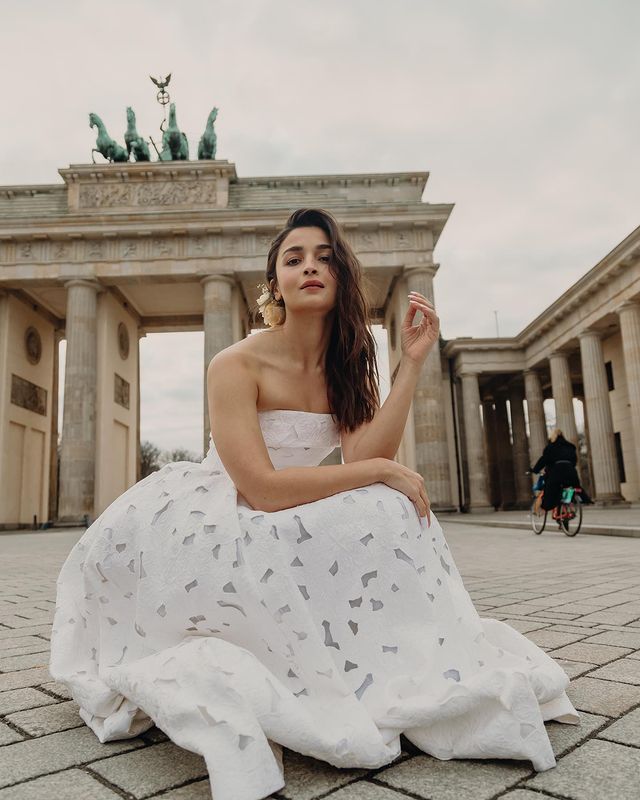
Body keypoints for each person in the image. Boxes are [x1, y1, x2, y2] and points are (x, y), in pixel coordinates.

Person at [50, 208, 579, 800]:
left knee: (389, 503)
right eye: (293, 258)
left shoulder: (348, 368)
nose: (309, 267)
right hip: (218, 510)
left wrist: (411, 361)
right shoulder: (235, 363)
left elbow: (366, 452)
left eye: (325, 257)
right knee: (379, 487)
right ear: (273, 283)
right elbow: (261, 489)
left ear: (343, 278)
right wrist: (379, 469)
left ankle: (387, 658)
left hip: (290, 504)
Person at [531, 428, 592, 515]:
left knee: (549, 490)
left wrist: (535, 470)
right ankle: (576, 502)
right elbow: (574, 461)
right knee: (573, 487)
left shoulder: (551, 447)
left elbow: (544, 460)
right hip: (571, 473)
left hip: (557, 473)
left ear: (553, 437)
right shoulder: (570, 447)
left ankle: (544, 509)